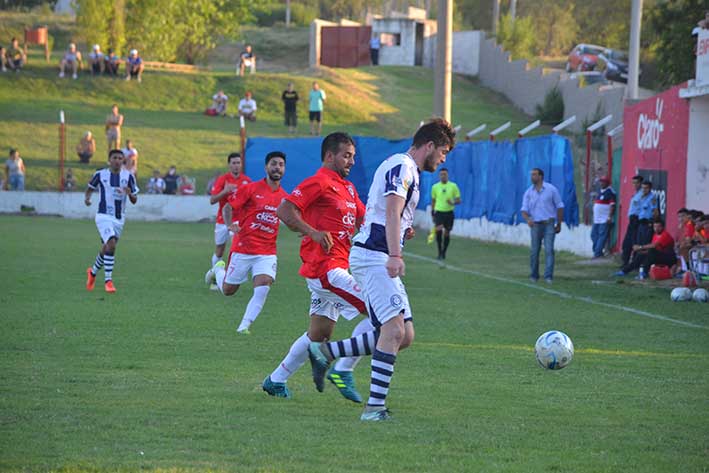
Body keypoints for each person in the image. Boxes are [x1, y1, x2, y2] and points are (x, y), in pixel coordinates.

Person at [306, 119, 455, 421]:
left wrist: (402, 232)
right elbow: (390, 209)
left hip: (378, 252)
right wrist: (395, 253)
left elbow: (389, 213)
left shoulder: (406, 168)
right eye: (443, 151)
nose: (443, 158)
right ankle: (374, 408)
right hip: (374, 255)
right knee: (393, 330)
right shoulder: (402, 165)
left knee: (405, 335)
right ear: (429, 145)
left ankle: (325, 353)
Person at [262, 132, 374, 403]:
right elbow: (285, 210)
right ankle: (343, 369)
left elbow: (365, 218)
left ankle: (275, 380)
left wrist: (398, 228)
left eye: (353, 157)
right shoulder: (319, 181)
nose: (351, 161)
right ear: (329, 155)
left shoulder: (347, 188)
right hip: (326, 269)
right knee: (381, 312)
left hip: (337, 269)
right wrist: (312, 232)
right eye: (346, 156)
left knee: (319, 333)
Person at [205, 152, 288, 334]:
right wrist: (229, 226)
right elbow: (227, 207)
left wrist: (305, 231)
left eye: (281, 164)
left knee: (263, 286)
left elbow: (292, 218)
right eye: (273, 164)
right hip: (243, 248)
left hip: (266, 252)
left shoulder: (284, 197)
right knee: (228, 290)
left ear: (284, 169)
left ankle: (244, 326)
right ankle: (218, 270)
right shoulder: (251, 188)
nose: (277, 168)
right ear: (266, 167)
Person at [84, 149, 139, 293]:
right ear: (109, 160)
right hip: (103, 216)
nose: (117, 160)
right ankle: (108, 281)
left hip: (119, 218)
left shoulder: (128, 177)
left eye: (120, 158)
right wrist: (87, 199)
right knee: (112, 244)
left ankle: (93, 273)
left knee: (107, 247)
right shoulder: (100, 174)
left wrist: (129, 193)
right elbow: (90, 188)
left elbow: (134, 199)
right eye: (115, 158)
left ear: (123, 161)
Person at [206, 153, 252, 279]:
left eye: (238, 163)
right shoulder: (222, 180)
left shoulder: (247, 181)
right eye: (234, 163)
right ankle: (215, 276)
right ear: (229, 165)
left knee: (236, 247)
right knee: (220, 250)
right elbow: (212, 200)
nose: (236, 165)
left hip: (238, 220)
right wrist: (225, 191)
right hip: (222, 220)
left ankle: (232, 276)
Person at [520, 168, 565, 284]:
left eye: (534, 174)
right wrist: (527, 219)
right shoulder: (528, 192)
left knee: (549, 250)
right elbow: (524, 209)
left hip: (549, 223)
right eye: (531, 175)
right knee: (534, 251)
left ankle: (548, 276)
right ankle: (534, 275)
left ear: (541, 176)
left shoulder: (551, 189)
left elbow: (560, 206)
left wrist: (558, 223)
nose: (532, 177)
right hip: (535, 224)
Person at [430, 167, 461, 260]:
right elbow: (433, 200)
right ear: (439, 175)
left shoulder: (453, 186)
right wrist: (432, 212)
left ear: (447, 175)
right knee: (438, 230)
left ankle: (444, 252)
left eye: (445, 174)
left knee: (447, 233)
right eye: (441, 174)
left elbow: (459, 200)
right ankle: (439, 251)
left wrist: (452, 202)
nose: (443, 176)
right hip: (439, 212)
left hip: (449, 213)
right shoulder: (435, 187)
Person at [621, 175, 644, 267]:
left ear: (641, 183)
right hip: (632, 219)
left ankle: (633, 263)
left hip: (637, 219)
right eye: (633, 183)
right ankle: (625, 262)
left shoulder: (642, 194)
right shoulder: (636, 193)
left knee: (634, 241)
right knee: (627, 242)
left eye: (637, 183)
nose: (635, 185)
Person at [590, 177, 616, 258]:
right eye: (600, 182)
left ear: (607, 183)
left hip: (604, 218)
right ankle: (597, 251)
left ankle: (597, 254)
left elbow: (612, 205)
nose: (601, 183)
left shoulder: (610, 192)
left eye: (603, 182)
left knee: (602, 235)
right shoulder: (599, 191)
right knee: (593, 235)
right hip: (596, 218)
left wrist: (609, 217)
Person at [635, 180, 658, 247]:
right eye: (643, 188)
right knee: (639, 242)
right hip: (640, 223)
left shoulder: (652, 198)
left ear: (650, 188)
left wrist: (652, 222)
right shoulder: (641, 197)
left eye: (646, 188)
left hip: (648, 223)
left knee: (646, 242)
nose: (644, 190)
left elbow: (655, 211)